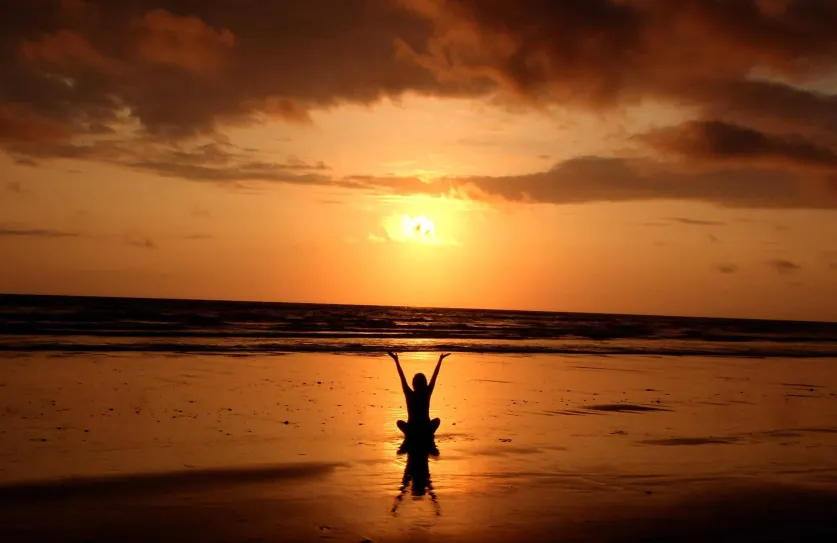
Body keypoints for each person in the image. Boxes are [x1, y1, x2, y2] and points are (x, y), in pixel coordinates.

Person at [388, 351, 449, 440]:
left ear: (413, 383)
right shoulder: (427, 393)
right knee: (437, 420)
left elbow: (402, 377)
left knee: (399, 422)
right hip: (426, 429)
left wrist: (396, 360)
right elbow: (434, 376)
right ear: (425, 383)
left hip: (412, 429)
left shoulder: (409, 394)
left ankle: (413, 435)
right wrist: (440, 360)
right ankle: (425, 434)